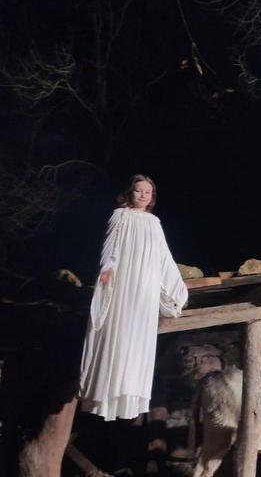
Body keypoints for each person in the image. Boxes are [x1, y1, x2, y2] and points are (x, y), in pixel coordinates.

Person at [79, 174, 189, 421]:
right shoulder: (119, 216)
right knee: (117, 334)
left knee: (138, 340)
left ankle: (128, 393)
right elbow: (110, 248)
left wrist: (176, 286)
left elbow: (164, 256)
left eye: (147, 192)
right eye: (139, 191)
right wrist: (106, 272)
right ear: (130, 192)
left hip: (145, 289)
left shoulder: (154, 222)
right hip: (124, 285)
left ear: (152, 197)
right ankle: (107, 390)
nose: (142, 195)